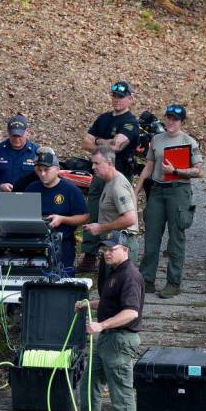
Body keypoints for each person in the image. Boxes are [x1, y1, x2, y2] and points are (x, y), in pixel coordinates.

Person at [64, 230, 144, 411]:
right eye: (105, 249)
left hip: (120, 340)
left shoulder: (130, 275)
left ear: (125, 250)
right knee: (88, 387)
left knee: (122, 396)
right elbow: (112, 303)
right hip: (106, 339)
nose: (107, 253)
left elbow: (131, 312)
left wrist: (101, 325)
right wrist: (91, 303)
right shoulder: (113, 272)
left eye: (112, 249)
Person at [135, 104, 202, 298]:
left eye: (175, 119)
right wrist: (136, 190)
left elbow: (199, 171)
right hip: (157, 191)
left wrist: (176, 171)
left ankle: (173, 282)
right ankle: (146, 280)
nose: (171, 122)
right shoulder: (156, 139)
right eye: (169, 118)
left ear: (182, 121)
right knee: (151, 237)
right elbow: (148, 167)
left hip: (178, 191)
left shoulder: (189, 142)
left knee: (176, 238)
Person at [77, 81, 139, 272]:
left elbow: (116, 146)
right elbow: (84, 142)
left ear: (130, 98)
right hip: (99, 173)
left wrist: (97, 141)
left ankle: (116, 253)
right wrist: (101, 142)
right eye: (114, 96)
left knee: (116, 213)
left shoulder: (130, 122)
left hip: (118, 174)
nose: (117, 100)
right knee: (94, 209)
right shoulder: (103, 118)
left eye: (121, 97)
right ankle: (90, 254)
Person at [24, 146, 89, 274]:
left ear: (57, 169)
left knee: (62, 280)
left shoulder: (70, 190)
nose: (42, 174)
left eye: (46, 170)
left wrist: (62, 219)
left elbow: (84, 216)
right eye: (39, 170)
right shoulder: (32, 188)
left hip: (62, 245)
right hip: (34, 244)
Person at [82, 147, 139, 280]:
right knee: (107, 293)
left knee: (118, 296)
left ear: (108, 163)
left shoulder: (118, 186)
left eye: (96, 163)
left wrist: (100, 228)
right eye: (92, 163)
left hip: (121, 246)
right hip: (111, 244)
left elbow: (130, 219)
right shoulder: (109, 182)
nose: (93, 167)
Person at [0, 114, 39, 192]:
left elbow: (45, 176)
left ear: (27, 132)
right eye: (14, 135)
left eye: (19, 135)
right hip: (1, 197)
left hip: (28, 198)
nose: (17, 139)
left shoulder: (37, 153)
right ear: (8, 132)